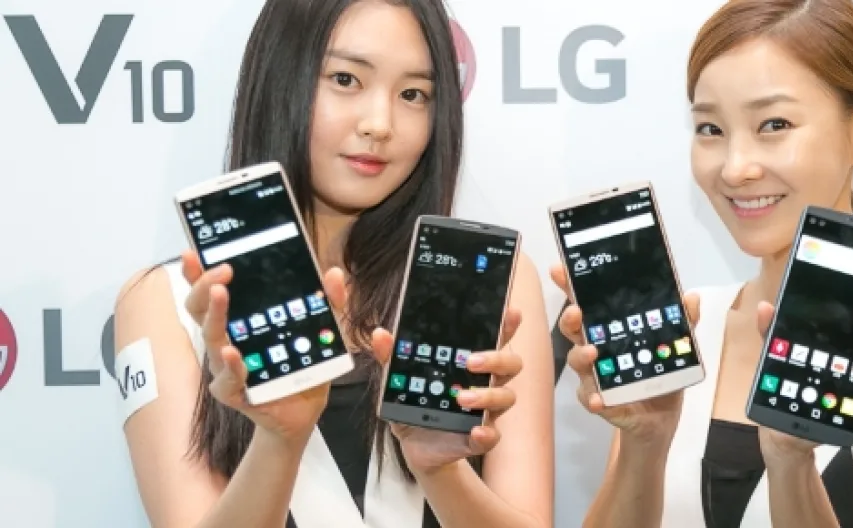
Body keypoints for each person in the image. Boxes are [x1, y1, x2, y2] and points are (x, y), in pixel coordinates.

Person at [551, 0, 853, 526]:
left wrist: (792, 463)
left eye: (774, 124)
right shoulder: (688, 326)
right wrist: (645, 445)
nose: (735, 168)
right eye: (710, 129)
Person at [113, 1, 553, 527]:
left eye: (413, 94)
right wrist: (281, 440)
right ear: (281, 79)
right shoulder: (164, 305)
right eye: (346, 79)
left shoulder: (491, 280)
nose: (380, 124)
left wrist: (440, 471)